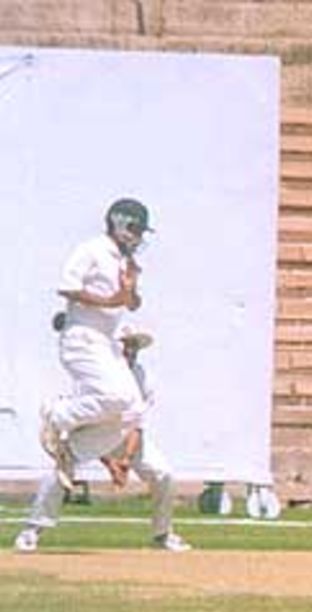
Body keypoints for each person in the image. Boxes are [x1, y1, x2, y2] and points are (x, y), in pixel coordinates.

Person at [15, 324, 191, 553]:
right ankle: (32, 530)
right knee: (60, 472)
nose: (131, 350)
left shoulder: (142, 376)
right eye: (126, 344)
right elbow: (87, 422)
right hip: (93, 432)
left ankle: (162, 534)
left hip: (128, 437)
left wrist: (125, 461)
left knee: (164, 474)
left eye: (134, 345)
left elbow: (137, 423)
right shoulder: (94, 375)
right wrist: (110, 464)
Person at [39, 198, 150, 490]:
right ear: (120, 222)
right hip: (82, 337)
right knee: (115, 396)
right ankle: (57, 414)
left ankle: (72, 451)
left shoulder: (124, 260)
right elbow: (67, 287)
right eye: (136, 229)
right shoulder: (92, 249)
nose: (139, 237)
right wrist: (111, 300)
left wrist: (130, 289)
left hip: (107, 341)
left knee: (133, 409)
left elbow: (132, 304)